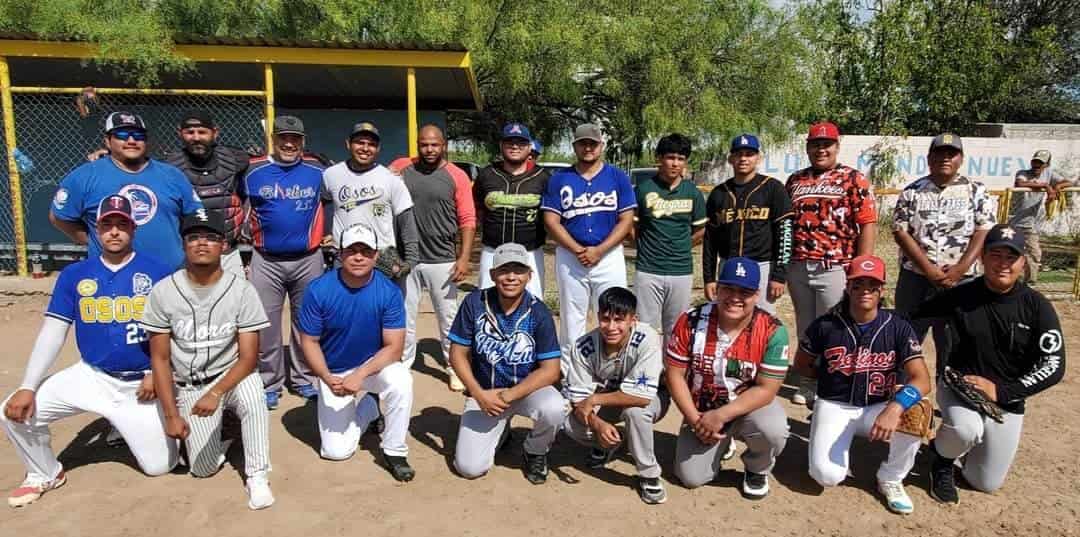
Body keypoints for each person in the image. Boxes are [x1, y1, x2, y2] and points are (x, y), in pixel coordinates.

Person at [1, 196, 178, 508]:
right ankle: (44, 473)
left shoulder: (158, 271)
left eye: (121, 224)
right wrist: (28, 386)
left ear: (133, 229)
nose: (114, 231)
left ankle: (122, 424)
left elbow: (174, 332)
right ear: (96, 230)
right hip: (92, 375)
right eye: (107, 224)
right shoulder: (75, 274)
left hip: (141, 385)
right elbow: (53, 332)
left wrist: (154, 371)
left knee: (160, 467)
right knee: (12, 412)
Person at [911, 224, 1065, 504]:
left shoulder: (1036, 306)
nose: (1002, 264)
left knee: (985, 483)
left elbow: (1054, 364)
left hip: (1007, 399)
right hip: (960, 386)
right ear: (982, 258)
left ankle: (954, 447)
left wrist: (1004, 392)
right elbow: (912, 318)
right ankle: (942, 460)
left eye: (1011, 257)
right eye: (996, 255)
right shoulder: (963, 294)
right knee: (965, 429)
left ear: (1022, 262)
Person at [142, 210, 275, 510]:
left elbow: (250, 357)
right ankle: (225, 437)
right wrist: (172, 414)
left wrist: (217, 393)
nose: (202, 244)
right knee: (202, 470)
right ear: (184, 244)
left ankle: (257, 475)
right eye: (194, 237)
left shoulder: (242, 289)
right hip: (191, 386)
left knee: (254, 394)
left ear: (224, 246)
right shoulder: (164, 291)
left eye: (211, 238)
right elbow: (160, 360)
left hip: (232, 377)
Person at [794, 255, 932, 515]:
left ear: (882, 290)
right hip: (835, 404)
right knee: (826, 477)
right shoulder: (826, 325)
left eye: (872, 285)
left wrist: (895, 408)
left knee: (916, 410)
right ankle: (821, 426)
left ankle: (891, 477)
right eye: (858, 284)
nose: (864, 291)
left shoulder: (898, 327)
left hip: (879, 406)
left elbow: (922, 380)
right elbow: (801, 364)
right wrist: (825, 381)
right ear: (848, 287)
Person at [296, 224, 415, 481]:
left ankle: (394, 450)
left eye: (365, 251)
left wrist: (360, 376)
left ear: (375, 255)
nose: (358, 257)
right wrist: (327, 377)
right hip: (334, 371)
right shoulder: (318, 290)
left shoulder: (389, 292)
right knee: (336, 452)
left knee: (402, 380)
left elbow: (394, 348)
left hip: (373, 367)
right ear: (340, 254)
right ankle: (370, 408)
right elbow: (309, 342)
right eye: (351, 251)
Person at [666, 257, 790, 499]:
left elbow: (766, 389)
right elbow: (674, 375)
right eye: (728, 289)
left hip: (747, 408)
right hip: (702, 409)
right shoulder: (690, 320)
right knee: (691, 477)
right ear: (717, 289)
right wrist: (695, 421)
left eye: (744, 292)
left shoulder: (774, 330)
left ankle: (757, 467)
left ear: (756, 295)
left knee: (773, 430)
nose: (735, 297)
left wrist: (721, 415)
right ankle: (723, 442)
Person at [448, 243, 565, 484]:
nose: (511, 277)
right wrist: (479, 394)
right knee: (469, 468)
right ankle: (502, 432)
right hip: (485, 393)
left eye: (518, 270)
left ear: (529, 275)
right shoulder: (474, 303)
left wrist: (508, 396)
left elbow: (551, 370)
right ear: (492, 275)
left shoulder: (538, 312)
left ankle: (535, 450)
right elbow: (457, 354)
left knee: (554, 408)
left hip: (526, 390)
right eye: (504, 270)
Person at [785, 121, 877, 407]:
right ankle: (810, 380)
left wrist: (860, 269)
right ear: (808, 147)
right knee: (807, 328)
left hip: (836, 265)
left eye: (827, 144)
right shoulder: (795, 180)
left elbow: (867, 224)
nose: (821, 149)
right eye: (815, 144)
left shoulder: (853, 179)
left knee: (836, 327)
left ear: (837, 147)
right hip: (799, 265)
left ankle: (836, 381)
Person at [242, 115, 327, 408]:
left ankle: (304, 379)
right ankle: (270, 383)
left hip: (308, 258)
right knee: (266, 325)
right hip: (266, 259)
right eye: (283, 138)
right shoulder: (253, 170)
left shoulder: (318, 169)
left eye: (295, 138)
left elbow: (345, 188)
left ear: (303, 141)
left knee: (307, 323)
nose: (289, 143)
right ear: (274, 139)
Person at [892, 133, 994, 376]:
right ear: (929, 158)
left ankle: (951, 398)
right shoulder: (912, 192)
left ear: (961, 158)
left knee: (954, 340)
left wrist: (960, 269)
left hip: (962, 281)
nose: (945, 158)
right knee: (907, 336)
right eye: (939, 153)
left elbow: (984, 230)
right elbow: (900, 232)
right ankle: (905, 395)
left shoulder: (976, 191)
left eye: (951, 153)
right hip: (916, 279)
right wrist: (928, 269)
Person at [50, 111, 204, 269]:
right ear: (108, 142)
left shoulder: (172, 175)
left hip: (168, 275)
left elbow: (195, 216)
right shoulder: (84, 176)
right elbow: (60, 217)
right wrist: (93, 240)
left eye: (138, 135)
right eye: (122, 134)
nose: (131, 140)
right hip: (111, 275)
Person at [389, 125, 476, 392]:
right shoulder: (401, 167)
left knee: (448, 319)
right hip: (408, 258)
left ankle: (454, 368)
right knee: (404, 316)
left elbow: (467, 219)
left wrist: (463, 258)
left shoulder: (456, 176)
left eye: (434, 145)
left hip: (443, 259)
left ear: (444, 145)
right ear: (418, 144)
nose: (429, 150)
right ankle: (402, 367)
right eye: (424, 145)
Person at [563, 287, 668, 504]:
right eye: (605, 318)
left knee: (635, 414)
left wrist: (594, 400)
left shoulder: (647, 337)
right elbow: (579, 401)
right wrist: (597, 423)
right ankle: (606, 444)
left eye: (619, 320)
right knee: (571, 425)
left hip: (652, 398)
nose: (611, 327)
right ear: (597, 316)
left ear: (633, 320)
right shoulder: (583, 346)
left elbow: (642, 397)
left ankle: (649, 474)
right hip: (609, 399)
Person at [542, 123, 636, 367]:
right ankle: (571, 370)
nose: (588, 147)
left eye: (592, 143)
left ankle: (614, 367)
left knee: (614, 313)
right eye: (583, 143)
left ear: (601, 146)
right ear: (574, 146)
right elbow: (551, 221)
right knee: (572, 317)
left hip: (609, 255)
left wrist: (600, 250)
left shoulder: (617, 176)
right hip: (571, 256)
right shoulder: (559, 179)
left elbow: (626, 220)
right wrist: (577, 250)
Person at [704, 134, 793, 315]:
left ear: (758, 158)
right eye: (738, 154)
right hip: (728, 264)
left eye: (749, 154)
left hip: (762, 266)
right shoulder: (719, 193)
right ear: (730, 159)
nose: (743, 158)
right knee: (728, 318)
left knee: (762, 322)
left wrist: (779, 275)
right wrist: (708, 278)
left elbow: (785, 234)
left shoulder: (773, 188)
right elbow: (709, 241)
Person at [322, 121, 419, 284]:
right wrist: (326, 233)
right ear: (348, 144)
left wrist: (411, 259)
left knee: (380, 307)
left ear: (378, 148)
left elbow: (406, 220)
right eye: (360, 142)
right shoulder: (331, 175)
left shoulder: (391, 179)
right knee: (345, 307)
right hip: (344, 257)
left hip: (381, 259)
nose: (365, 148)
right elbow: (324, 205)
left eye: (372, 144)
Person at [632, 133, 706, 346]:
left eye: (681, 158)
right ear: (659, 158)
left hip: (680, 270)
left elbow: (701, 230)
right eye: (670, 157)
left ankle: (670, 374)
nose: (675, 163)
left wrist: (682, 246)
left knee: (676, 327)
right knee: (645, 327)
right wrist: (646, 246)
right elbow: (632, 227)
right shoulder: (644, 189)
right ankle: (647, 375)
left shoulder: (693, 192)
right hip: (648, 269)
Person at [166, 110, 251, 277]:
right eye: (190, 132)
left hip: (228, 251)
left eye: (202, 132)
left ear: (215, 132)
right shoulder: (168, 168)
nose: (196, 137)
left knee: (233, 300)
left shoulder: (237, 160)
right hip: (188, 253)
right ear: (180, 133)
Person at [473, 122, 550, 297]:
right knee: (486, 301)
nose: (515, 146)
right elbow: (476, 209)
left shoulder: (543, 177)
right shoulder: (487, 174)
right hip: (493, 249)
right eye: (509, 142)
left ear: (529, 147)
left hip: (530, 251)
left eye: (521, 142)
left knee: (534, 301)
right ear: (501, 145)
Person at [1008, 149, 1074, 283]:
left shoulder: (1049, 174)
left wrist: (1057, 187)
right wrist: (1045, 186)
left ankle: (1030, 282)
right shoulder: (1023, 173)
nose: (1036, 165)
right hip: (1014, 221)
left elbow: (1069, 183)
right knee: (1010, 252)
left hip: (1030, 224)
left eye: (1040, 163)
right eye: (1035, 162)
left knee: (1034, 253)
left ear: (1046, 165)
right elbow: (1020, 183)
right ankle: (1007, 281)